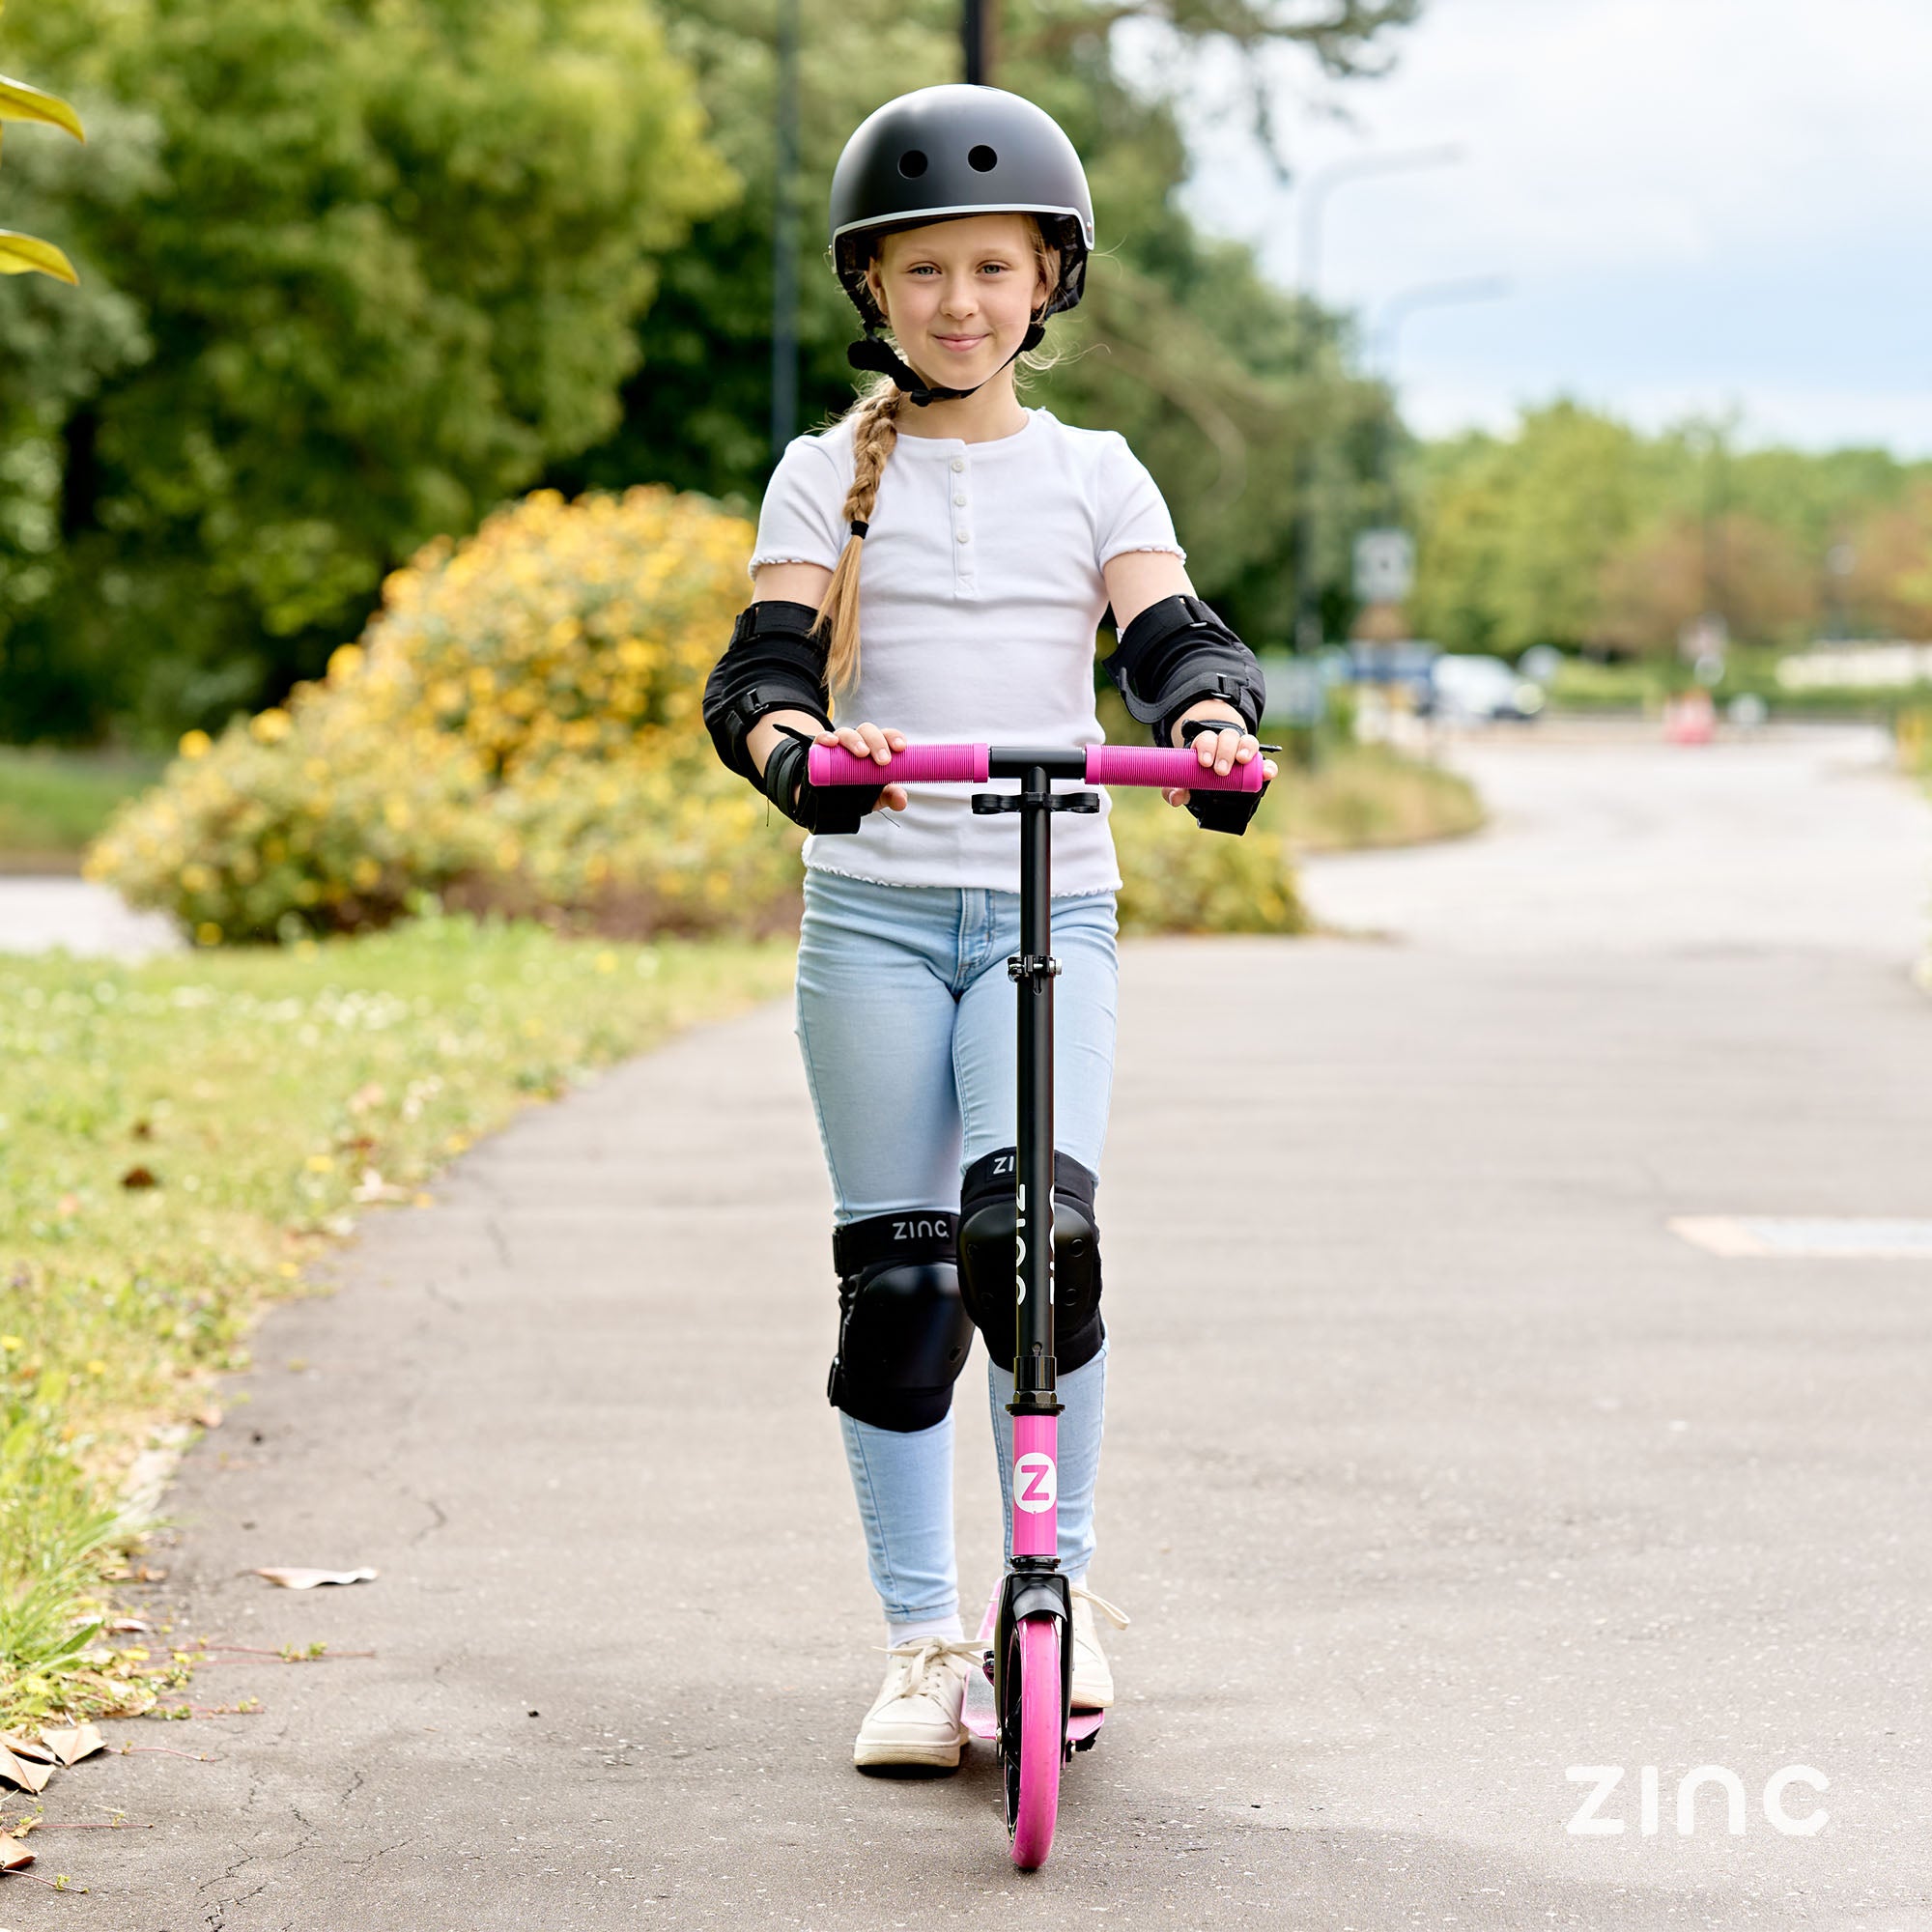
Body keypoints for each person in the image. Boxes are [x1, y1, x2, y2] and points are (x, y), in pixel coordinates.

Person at [703, 84, 1273, 1773]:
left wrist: (1216, 723)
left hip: (1050, 900)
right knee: (899, 1287)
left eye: (994, 270)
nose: (962, 302)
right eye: (927, 271)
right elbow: (763, 678)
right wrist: (799, 757)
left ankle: (1063, 1589)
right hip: (873, 921)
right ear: (873, 289)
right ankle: (917, 1641)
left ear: (1051, 281)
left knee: (1042, 1247)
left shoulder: (1094, 470)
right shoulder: (828, 475)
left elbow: (1170, 634)